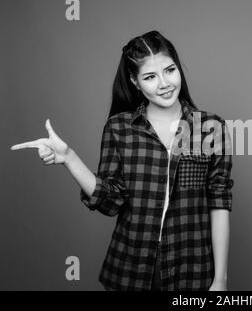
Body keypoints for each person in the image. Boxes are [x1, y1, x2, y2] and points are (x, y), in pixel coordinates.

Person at [10, 30, 234, 291]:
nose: (164, 83)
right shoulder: (119, 128)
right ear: (135, 81)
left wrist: (220, 280)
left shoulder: (210, 128)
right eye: (150, 76)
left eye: (170, 70)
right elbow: (111, 201)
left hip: (191, 271)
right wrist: (69, 158)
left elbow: (219, 204)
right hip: (129, 270)